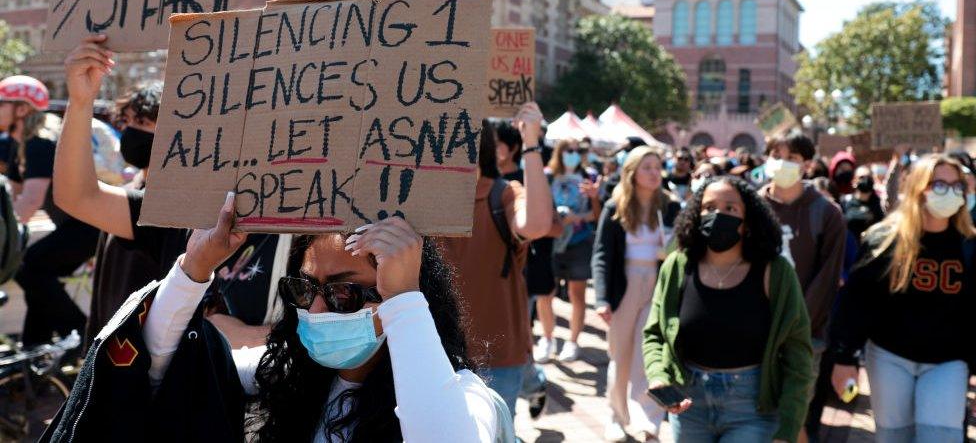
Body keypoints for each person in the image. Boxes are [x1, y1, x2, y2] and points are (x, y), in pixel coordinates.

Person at [44, 203, 514, 442]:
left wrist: (406, 301)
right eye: (306, 290)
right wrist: (194, 268)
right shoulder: (283, 379)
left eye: (347, 292)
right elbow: (151, 366)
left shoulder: (468, 398)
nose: (319, 310)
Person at [54, 36, 285, 349]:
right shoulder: (177, 210)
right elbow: (77, 196)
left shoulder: (313, 228)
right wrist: (81, 100)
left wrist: (252, 336)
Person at [643, 176, 814, 443]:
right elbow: (654, 333)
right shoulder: (677, 266)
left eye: (730, 208)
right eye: (709, 208)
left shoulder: (775, 272)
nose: (717, 215)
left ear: (748, 223)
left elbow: (798, 352)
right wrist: (658, 375)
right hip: (689, 404)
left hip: (752, 406)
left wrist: (789, 426)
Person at [831, 154, 976, 442]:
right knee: (894, 437)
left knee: (939, 437)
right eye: (939, 185)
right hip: (890, 356)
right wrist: (843, 357)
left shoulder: (970, 246)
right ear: (918, 189)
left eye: (956, 186)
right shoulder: (884, 240)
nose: (950, 193)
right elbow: (856, 303)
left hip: (948, 361)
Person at [440, 105, 554, 419]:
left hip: (497, 355)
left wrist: (531, 144)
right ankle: (535, 382)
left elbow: (537, 224)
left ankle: (535, 382)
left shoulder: (503, 193)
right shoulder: (423, 200)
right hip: (435, 350)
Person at [760, 130, 846, 440]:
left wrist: (791, 325)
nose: (782, 163)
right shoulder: (751, 207)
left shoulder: (826, 214)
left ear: (807, 165)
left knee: (790, 419)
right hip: (754, 332)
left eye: (792, 158)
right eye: (776, 156)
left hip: (804, 338)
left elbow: (826, 281)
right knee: (754, 418)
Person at [592, 146, 681, 442]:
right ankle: (616, 416)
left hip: (658, 285)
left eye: (658, 166)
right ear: (632, 172)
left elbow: (683, 247)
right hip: (624, 285)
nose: (655, 173)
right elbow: (602, 254)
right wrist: (602, 297)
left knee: (649, 355)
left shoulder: (670, 206)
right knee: (620, 355)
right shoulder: (614, 206)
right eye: (647, 167)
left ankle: (650, 420)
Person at [7, 73, 101, 346]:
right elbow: (12, 200)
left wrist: (7, 242)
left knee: (28, 266)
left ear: (22, 109)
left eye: (2, 104)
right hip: (76, 226)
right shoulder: (20, 146)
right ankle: (35, 351)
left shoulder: (40, 141)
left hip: (91, 225)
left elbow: (30, 201)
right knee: (38, 278)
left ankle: (81, 339)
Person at [534, 138, 601, 364]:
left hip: (579, 241)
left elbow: (597, 215)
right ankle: (547, 338)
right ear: (559, 152)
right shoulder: (547, 174)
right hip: (550, 241)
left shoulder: (590, 176)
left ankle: (572, 342)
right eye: (567, 150)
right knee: (545, 293)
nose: (572, 154)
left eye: (576, 150)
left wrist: (581, 213)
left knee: (577, 294)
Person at [841, 165, 885, 246]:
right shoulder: (845, 202)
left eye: (869, 177)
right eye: (862, 177)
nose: (866, 180)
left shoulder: (880, 203)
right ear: (854, 180)